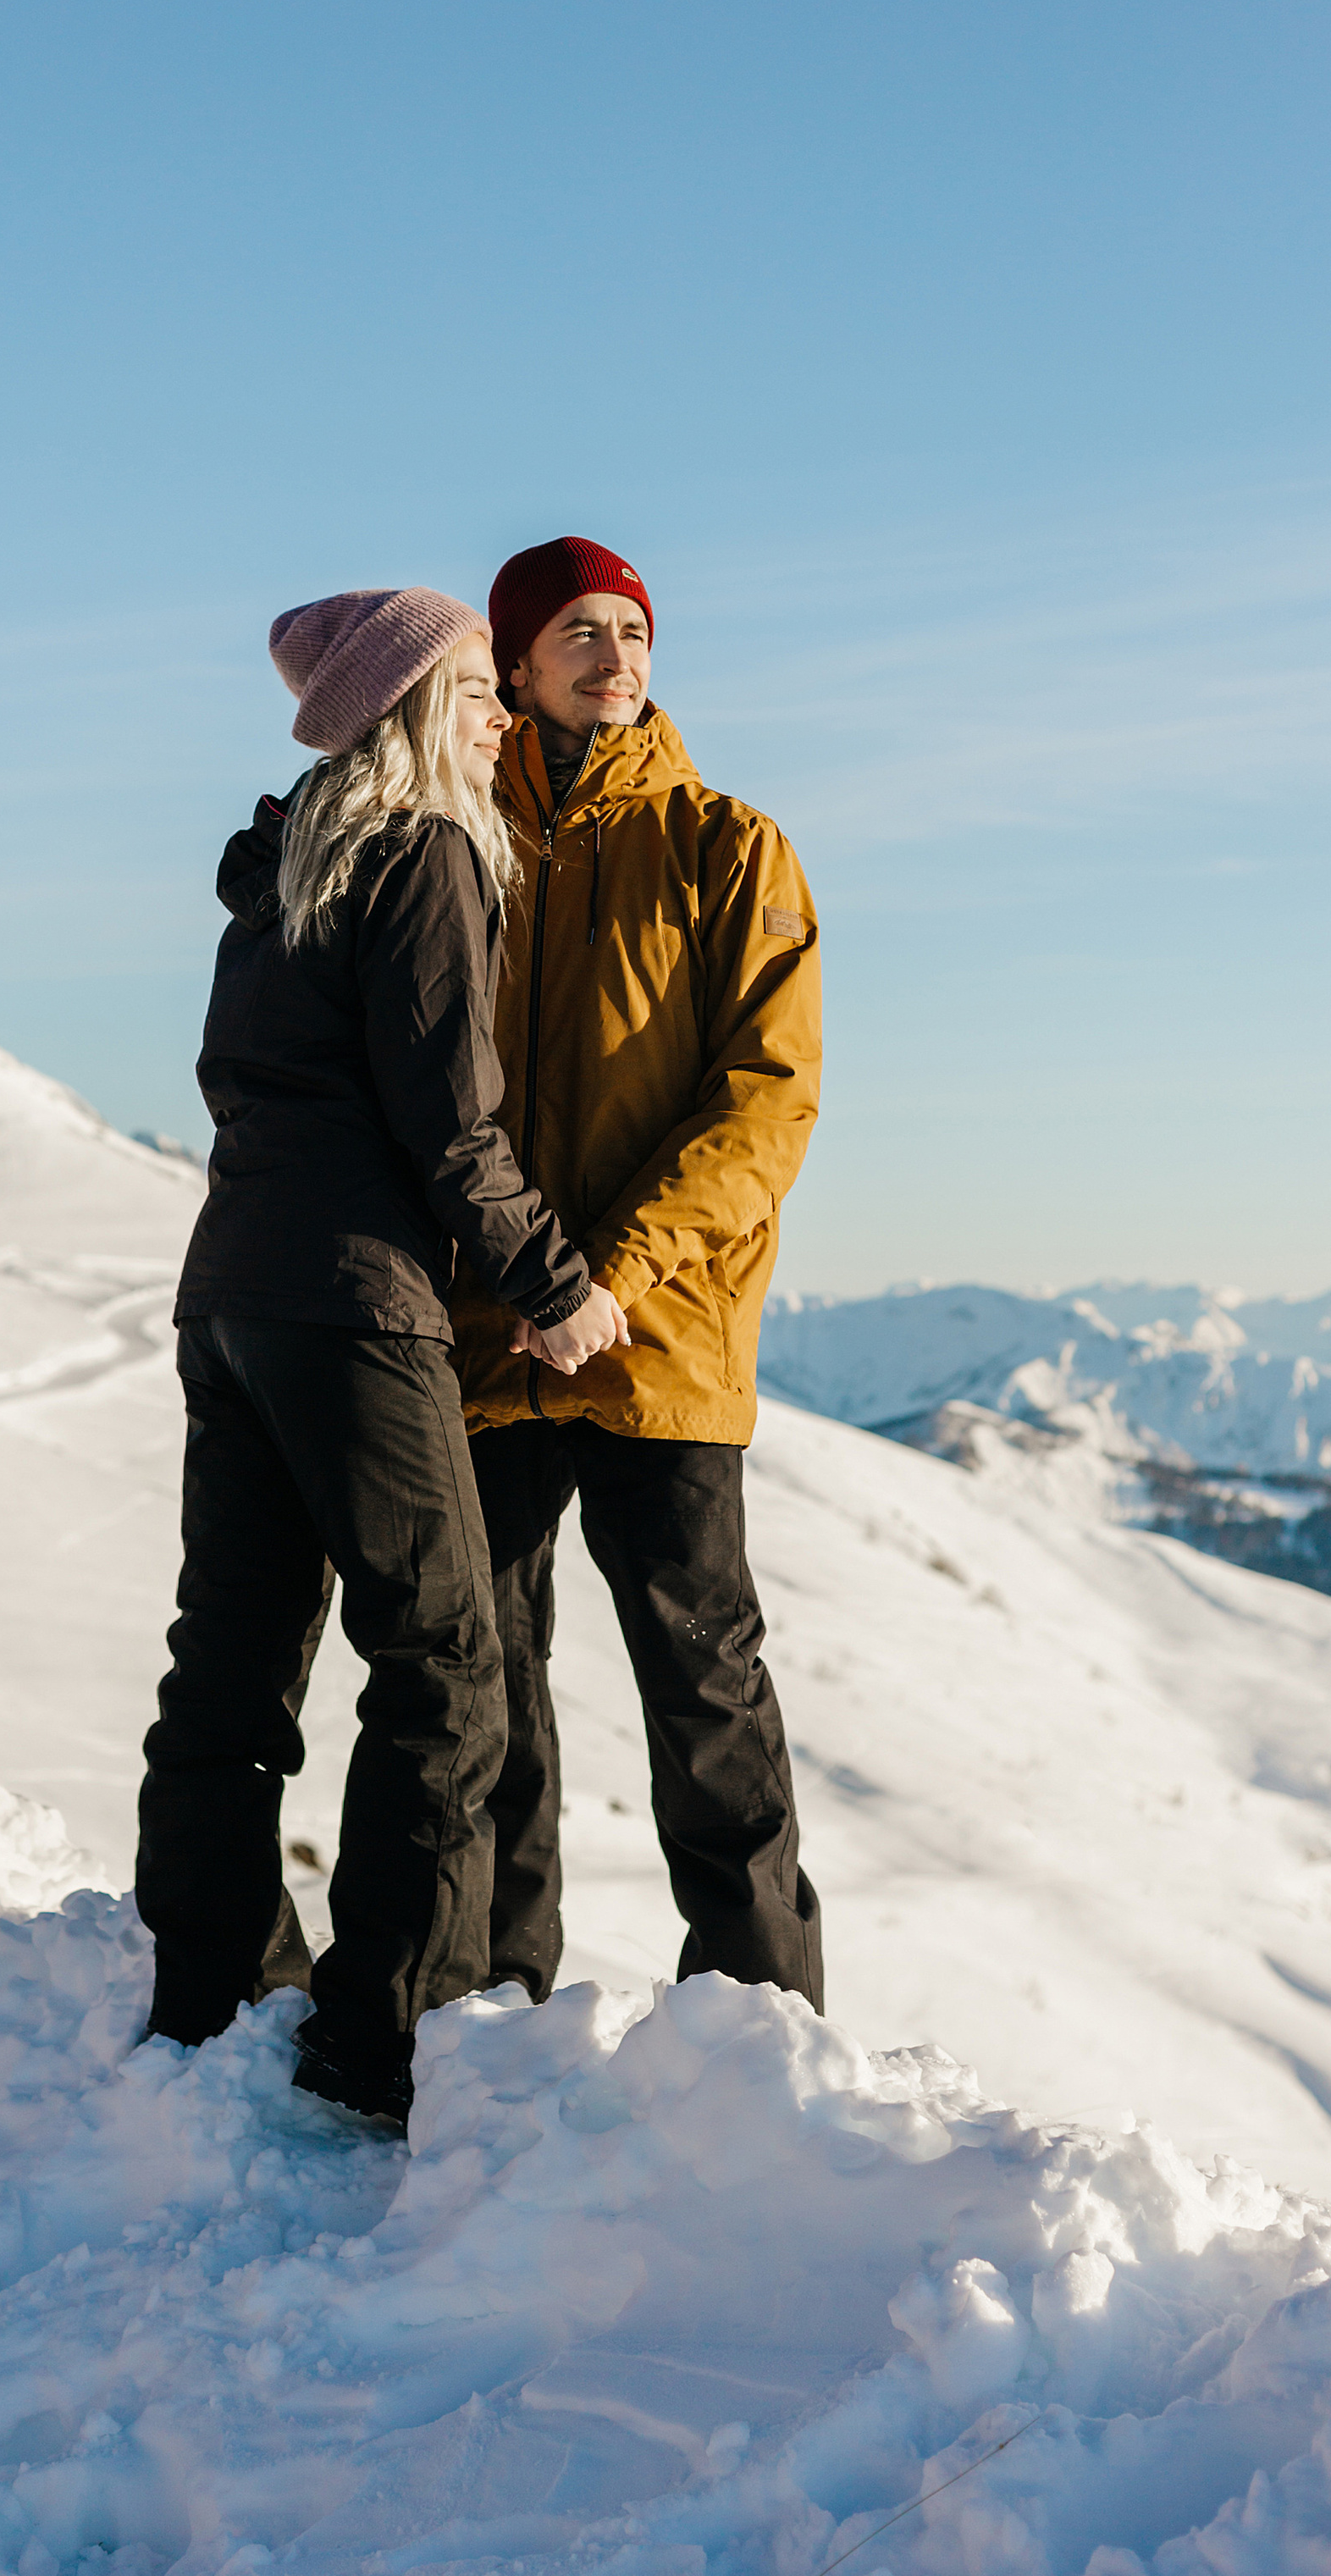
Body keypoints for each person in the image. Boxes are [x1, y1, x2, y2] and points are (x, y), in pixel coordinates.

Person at [136, 586, 627, 2125]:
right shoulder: (428, 850)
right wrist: (552, 1283)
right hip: (356, 1309)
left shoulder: (287, 869)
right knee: (447, 1666)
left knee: (232, 1659)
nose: (500, 712)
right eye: (476, 688)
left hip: (230, 1296)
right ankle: (383, 2035)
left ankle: (209, 1994)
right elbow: (446, 1114)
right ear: (409, 709)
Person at [450, 535, 826, 2011]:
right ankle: (491, 2013)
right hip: (488, 1335)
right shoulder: (456, 838)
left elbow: (766, 1103)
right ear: (516, 664)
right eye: (581, 634)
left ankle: (761, 2034)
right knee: (482, 1693)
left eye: (634, 632)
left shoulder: (729, 845)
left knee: (706, 1695)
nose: (617, 658)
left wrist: (611, 1274)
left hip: (659, 1336)